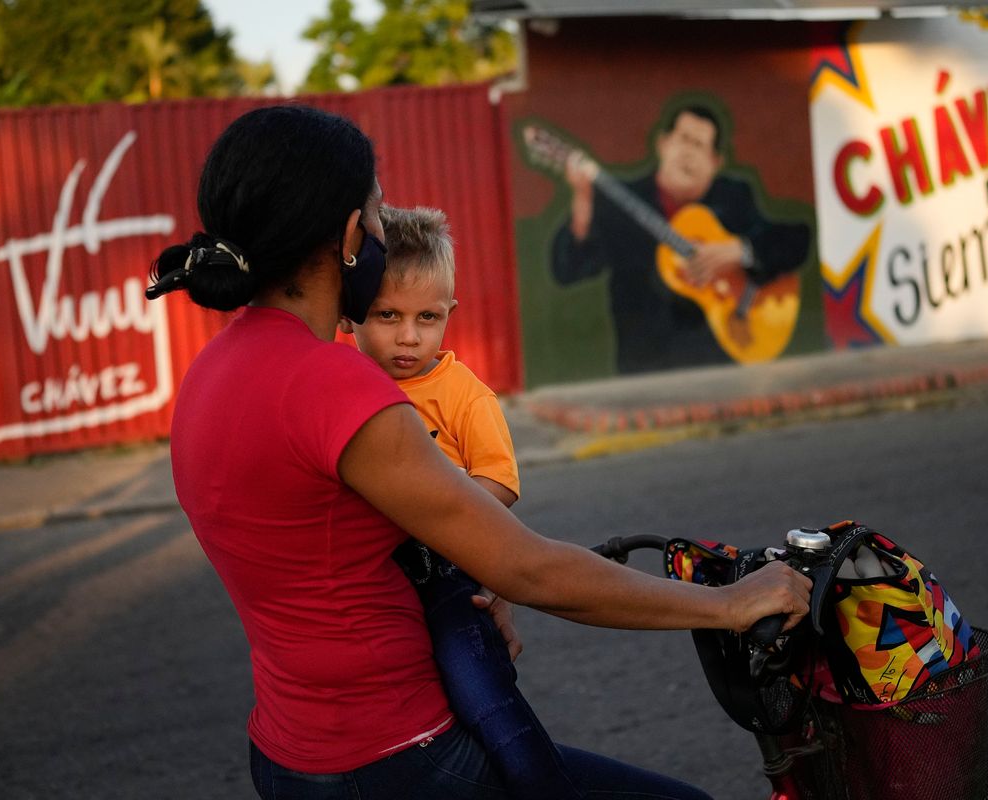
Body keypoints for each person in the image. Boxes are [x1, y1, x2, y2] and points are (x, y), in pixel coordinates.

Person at [147, 104, 810, 800]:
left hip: (288, 758)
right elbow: (530, 569)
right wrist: (729, 603)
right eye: (375, 215)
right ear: (349, 236)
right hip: (399, 762)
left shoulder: (211, 374)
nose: (380, 232)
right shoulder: (335, 385)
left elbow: (332, 547)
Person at [340, 204, 580, 799]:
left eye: (427, 317)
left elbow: (499, 482)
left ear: (450, 314)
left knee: (489, 707)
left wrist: (433, 507)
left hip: (450, 579)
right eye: (386, 315)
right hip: (373, 586)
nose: (407, 335)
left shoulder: (465, 396)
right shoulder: (342, 379)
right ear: (351, 317)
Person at [552, 103, 812, 373]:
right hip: (646, 371)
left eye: (699, 145)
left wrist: (740, 250)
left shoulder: (733, 198)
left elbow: (796, 241)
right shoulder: (623, 204)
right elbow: (567, 269)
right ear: (663, 144)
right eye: (683, 139)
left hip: (722, 366)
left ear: (715, 163)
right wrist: (583, 198)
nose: (688, 152)